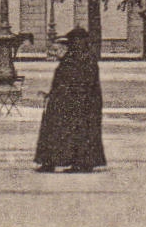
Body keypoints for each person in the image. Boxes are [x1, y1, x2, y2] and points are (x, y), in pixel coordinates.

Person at [34, 27, 106, 173]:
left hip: (79, 102)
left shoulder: (82, 58)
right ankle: (54, 162)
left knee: (74, 132)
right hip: (69, 101)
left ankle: (79, 163)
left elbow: (82, 82)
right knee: (61, 131)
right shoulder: (78, 57)